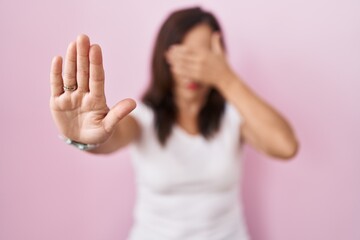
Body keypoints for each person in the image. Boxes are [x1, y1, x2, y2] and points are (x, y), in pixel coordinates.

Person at [49, 7, 298, 240]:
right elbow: (111, 137)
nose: (192, 69)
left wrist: (226, 78)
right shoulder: (143, 118)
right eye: (183, 55)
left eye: (203, 58)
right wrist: (81, 138)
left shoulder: (234, 117)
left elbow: (286, 146)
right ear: (164, 57)